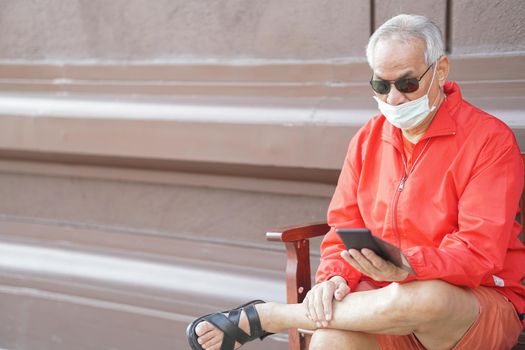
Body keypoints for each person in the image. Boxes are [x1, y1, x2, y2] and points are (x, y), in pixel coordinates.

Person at [187, 14, 525, 350]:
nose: (393, 99)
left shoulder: (488, 139)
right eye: (381, 85)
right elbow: (343, 228)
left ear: (440, 70)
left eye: (407, 84)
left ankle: (270, 316)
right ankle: (289, 315)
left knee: (425, 298)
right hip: (375, 304)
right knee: (330, 340)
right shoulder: (367, 137)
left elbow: (479, 251)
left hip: (470, 310)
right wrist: (335, 277)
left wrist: (409, 268)